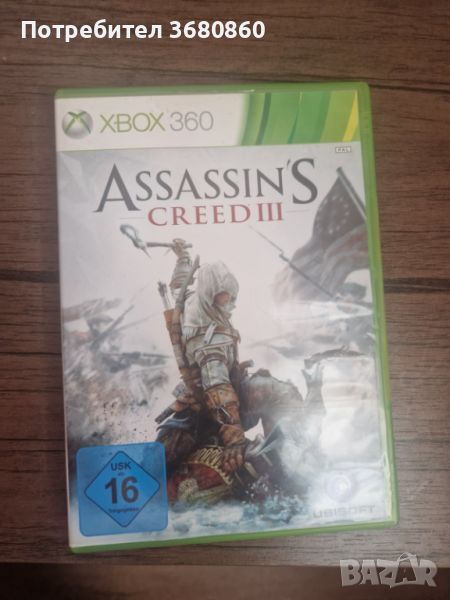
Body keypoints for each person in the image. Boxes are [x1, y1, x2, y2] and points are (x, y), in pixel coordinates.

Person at [157, 239, 246, 473]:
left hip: (232, 385)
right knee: (161, 459)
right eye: (225, 295)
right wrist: (234, 439)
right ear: (210, 293)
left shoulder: (196, 302)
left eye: (232, 295)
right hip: (202, 402)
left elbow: (180, 288)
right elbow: (217, 388)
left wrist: (182, 258)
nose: (230, 301)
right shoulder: (209, 340)